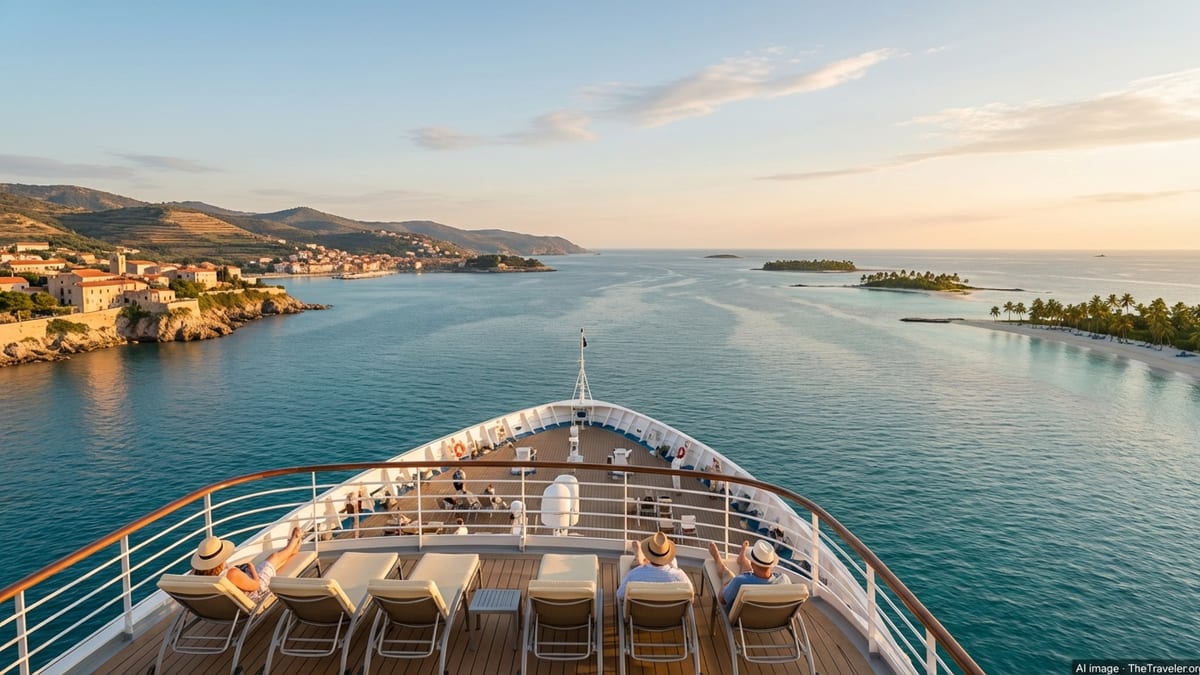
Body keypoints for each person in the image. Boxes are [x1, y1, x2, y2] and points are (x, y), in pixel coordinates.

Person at [191, 527, 303, 600]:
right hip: (255, 594)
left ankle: (291, 552)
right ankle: (293, 544)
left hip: (223, 606)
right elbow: (256, 585)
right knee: (273, 558)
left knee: (272, 564)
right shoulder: (231, 574)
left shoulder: (195, 575)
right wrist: (252, 567)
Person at [708, 539, 787, 612]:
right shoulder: (783, 579)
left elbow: (722, 599)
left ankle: (718, 559)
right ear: (771, 564)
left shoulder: (739, 582)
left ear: (752, 563)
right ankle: (742, 560)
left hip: (741, 621)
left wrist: (728, 583)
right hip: (771, 620)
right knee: (749, 576)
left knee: (728, 575)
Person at [616, 531, 692, 602]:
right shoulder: (679, 576)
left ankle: (639, 557)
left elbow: (620, 595)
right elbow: (690, 597)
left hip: (640, 614)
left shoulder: (634, 575)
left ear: (648, 555)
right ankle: (639, 558)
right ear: (667, 556)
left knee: (637, 565)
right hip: (672, 615)